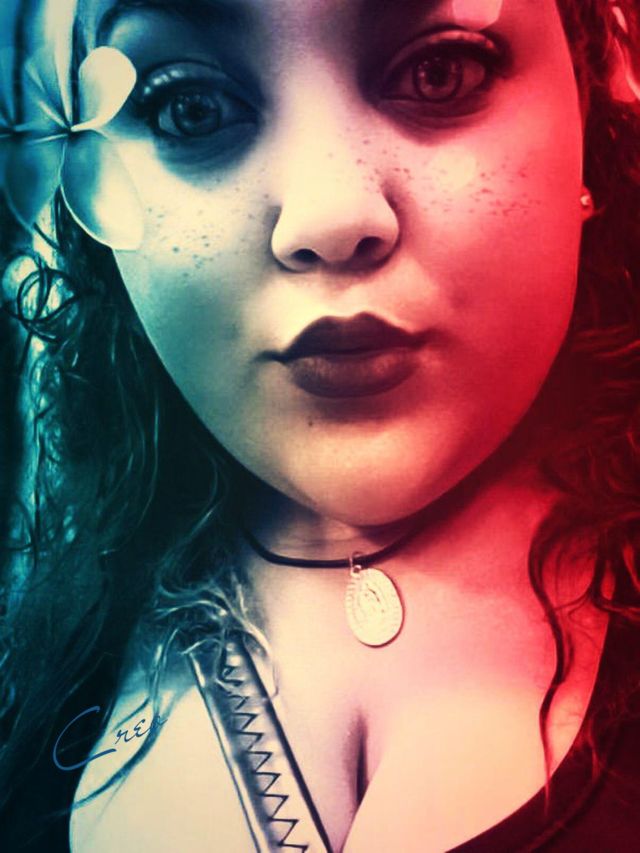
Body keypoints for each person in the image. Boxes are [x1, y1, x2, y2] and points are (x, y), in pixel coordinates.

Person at [1, 0, 639, 849]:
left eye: (440, 72)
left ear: (589, 102)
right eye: (189, 108)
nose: (330, 218)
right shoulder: (52, 638)